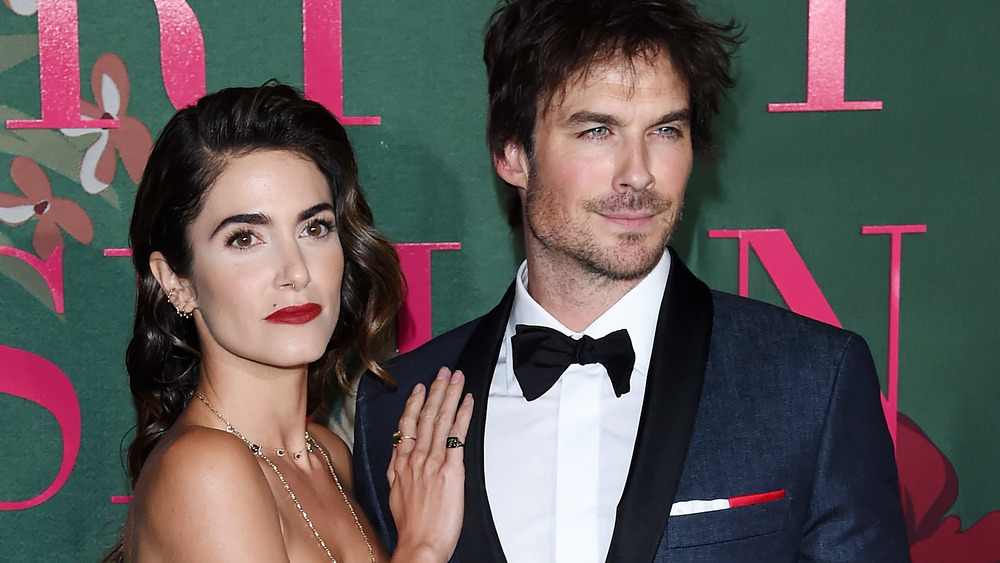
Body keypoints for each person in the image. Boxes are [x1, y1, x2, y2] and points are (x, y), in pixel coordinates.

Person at [353, 0, 911, 561]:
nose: (639, 172)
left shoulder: (811, 383)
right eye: (598, 131)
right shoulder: (396, 412)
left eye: (666, 130)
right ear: (512, 153)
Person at [104, 83, 472, 562]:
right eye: (244, 239)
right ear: (177, 280)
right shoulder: (205, 471)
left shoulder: (328, 453)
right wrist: (422, 548)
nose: (296, 271)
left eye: (314, 228)